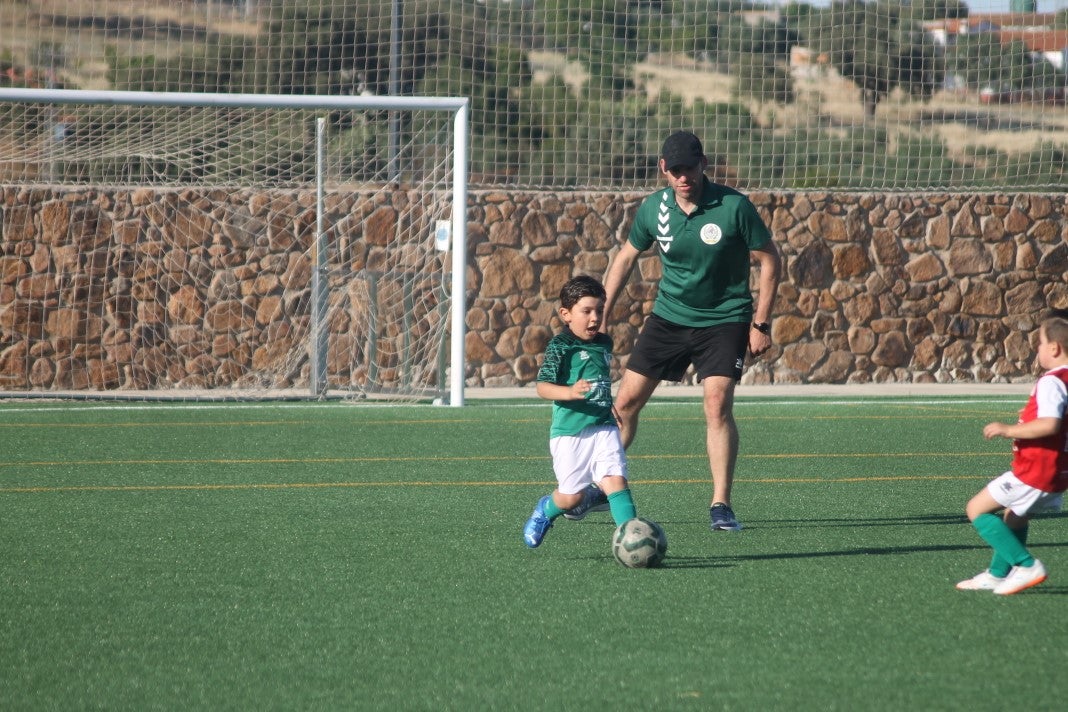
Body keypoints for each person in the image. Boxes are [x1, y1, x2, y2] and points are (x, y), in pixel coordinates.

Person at [595, 130, 781, 533]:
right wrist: (602, 313)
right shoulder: (653, 209)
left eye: (690, 168)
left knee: (716, 406)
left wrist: (760, 323)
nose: (684, 177)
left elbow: (769, 259)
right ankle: (596, 488)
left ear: (704, 165)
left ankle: (721, 505)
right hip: (670, 316)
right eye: (675, 169)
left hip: (724, 318)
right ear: (663, 168)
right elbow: (626, 256)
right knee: (624, 404)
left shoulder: (734, 207)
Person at [523, 275, 638, 548]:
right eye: (586, 311)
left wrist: (605, 401)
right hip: (570, 432)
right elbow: (542, 387)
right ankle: (546, 509)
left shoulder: (604, 343)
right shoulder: (560, 346)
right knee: (571, 498)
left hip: (603, 425)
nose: (594, 318)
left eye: (599, 310)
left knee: (615, 480)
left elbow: (598, 379)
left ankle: (632, 538)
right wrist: (569, 392)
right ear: (566, 314)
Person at [956, 314, 1068, 595]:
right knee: (1014, 516)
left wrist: (1008, 429)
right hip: (1057, 471)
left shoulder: (1052, 382)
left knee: (976, 509)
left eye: (1040, 343)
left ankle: (1026, 565)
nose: (1038, 349)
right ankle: (997, 574)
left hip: (1036, 469)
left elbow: (1050, 423)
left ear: (1054, 348)